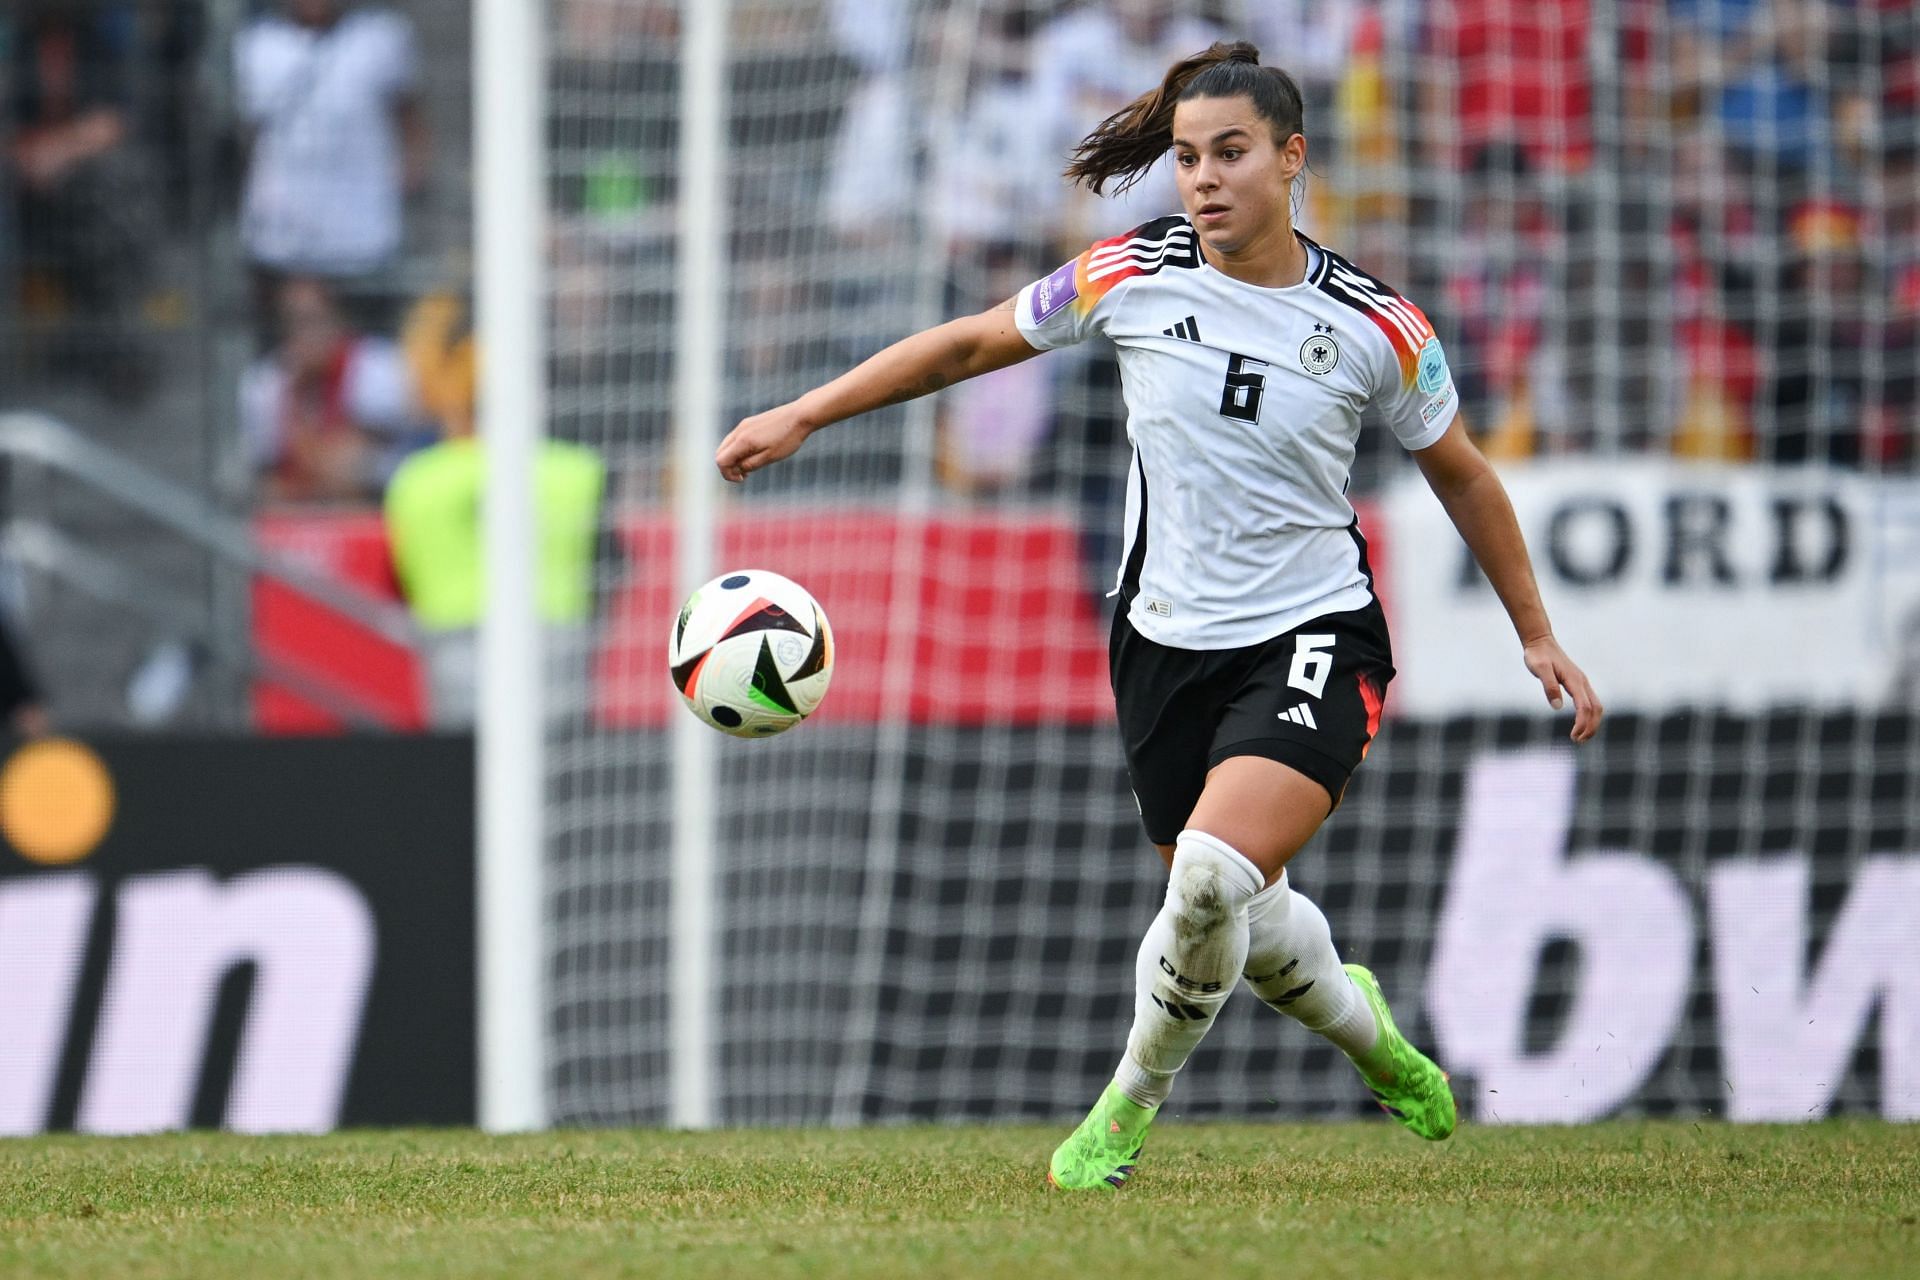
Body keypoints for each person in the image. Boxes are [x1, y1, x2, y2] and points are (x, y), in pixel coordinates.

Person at [715, 42, 1603, 1190]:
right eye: (1187, 158)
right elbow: (971, 342)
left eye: (1231, 153)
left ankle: (1124, 1111)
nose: (1205, 178)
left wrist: (1536, 630)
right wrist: (804, 411)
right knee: (1240, 911)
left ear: (1292, 158)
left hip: (1314, 634)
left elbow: (1465, 475)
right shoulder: (1128, 276)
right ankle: (1375, 1041)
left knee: (1206, 880)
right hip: (1161, 640)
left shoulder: (1382, 329)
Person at [240, 276, 425, 504]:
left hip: (377, 501)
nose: (304, 333)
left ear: (337, 317)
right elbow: (268, 469)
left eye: (312, 320)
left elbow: (360, 457)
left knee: (348, 460)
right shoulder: (267, 381)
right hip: (299, 511)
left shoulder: (377, 365)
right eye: (291, 321)